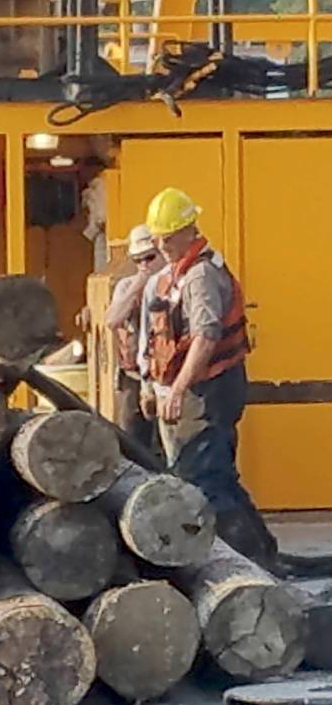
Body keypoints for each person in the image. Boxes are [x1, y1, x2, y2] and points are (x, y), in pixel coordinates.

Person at [139, 187, 278, 565]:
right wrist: (151, 384)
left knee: (207, 478)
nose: (162, 245)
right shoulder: (175, 275)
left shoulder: (200, 275)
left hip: (210, 389)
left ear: (189, 230)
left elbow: (205, 336)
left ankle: (250, 560)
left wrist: (178, 389)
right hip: (200, 388)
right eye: (157, 238)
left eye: (168, 238)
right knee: (215, 473)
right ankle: (263, 552)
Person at [104, 223, 164, 449]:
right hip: (135, 379)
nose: (144, 265)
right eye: (138, 260)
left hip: (167, 377)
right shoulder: (127, 285)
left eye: (149, 258)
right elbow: (112, 320)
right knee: (133, 445)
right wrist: (140, 283)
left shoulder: (174, 284)